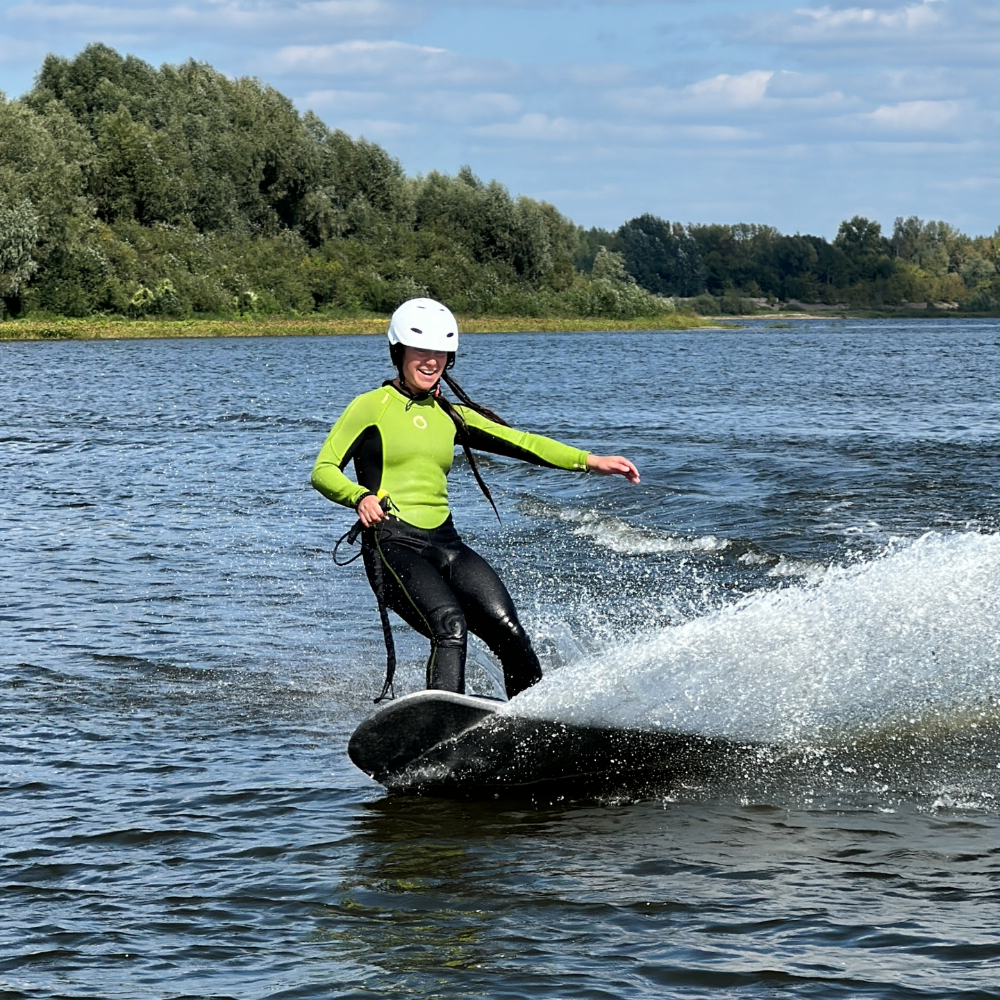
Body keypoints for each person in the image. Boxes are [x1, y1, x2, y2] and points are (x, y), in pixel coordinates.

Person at [311, 298, 639, 702]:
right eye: (422, 352)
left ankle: (532, 721)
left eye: (441, 354)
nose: (432, 362)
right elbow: (323, 469)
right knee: (450, 627)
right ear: (399, 352)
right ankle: (442, 731)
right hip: (392, 546)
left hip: (446, 544)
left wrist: (590, 461)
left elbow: (520, 442)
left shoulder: (451, 415)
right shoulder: (370, 407)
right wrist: (359, 496)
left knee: (510, 632)